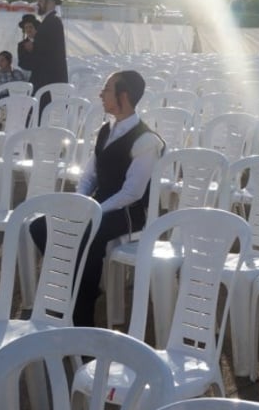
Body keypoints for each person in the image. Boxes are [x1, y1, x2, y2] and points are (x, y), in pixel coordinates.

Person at [29, 70, 163, 327]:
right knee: (40, 226)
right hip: (97, 207)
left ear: (123, 96)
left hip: (127, 213)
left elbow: (132, 193)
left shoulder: (146, 140)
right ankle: (77, 288)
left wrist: (95, 210)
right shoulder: (106, 131)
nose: (101, 95)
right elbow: (89, 174)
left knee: (86, 235)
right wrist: (79, 203)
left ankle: (82, 313)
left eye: (107, 90)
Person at [18, 0, 69, 114]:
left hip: (48, 79)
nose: (38, 4)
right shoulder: (49, 21)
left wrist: (32, 47)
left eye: (41, 1)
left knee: (39, 117)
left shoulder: (53, 22)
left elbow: (48, 52)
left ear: (50, 2)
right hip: (45, 78)